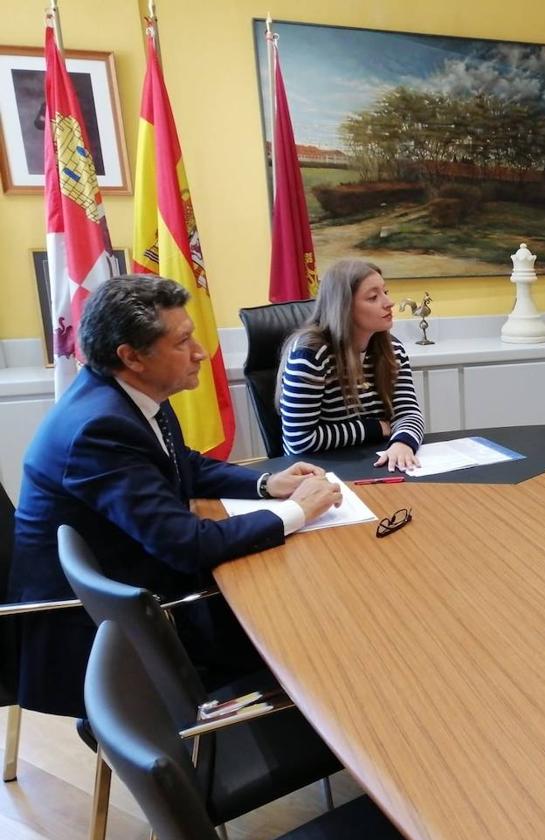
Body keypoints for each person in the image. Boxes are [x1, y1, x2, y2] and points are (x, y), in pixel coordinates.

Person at [9, 275, 343, 716]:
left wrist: (266, 484)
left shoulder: (126, 393)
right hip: (105, 632)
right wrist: (297, 511)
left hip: (138, 589)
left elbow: (181, 462)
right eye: (183, 341)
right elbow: (187, 545)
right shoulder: (99, 429)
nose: (201, 351)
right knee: (314, 630)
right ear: (132, 356)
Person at [277, 259, 425, 472]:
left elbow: (408, 413)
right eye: (373, 297)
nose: (389, 302)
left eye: (385, 291)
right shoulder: (310, 354)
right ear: (344, 307)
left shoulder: (393, 348)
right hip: (321, 471)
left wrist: (402, 443)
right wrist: (375, 428)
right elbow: (299, 441)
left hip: (376, 462)